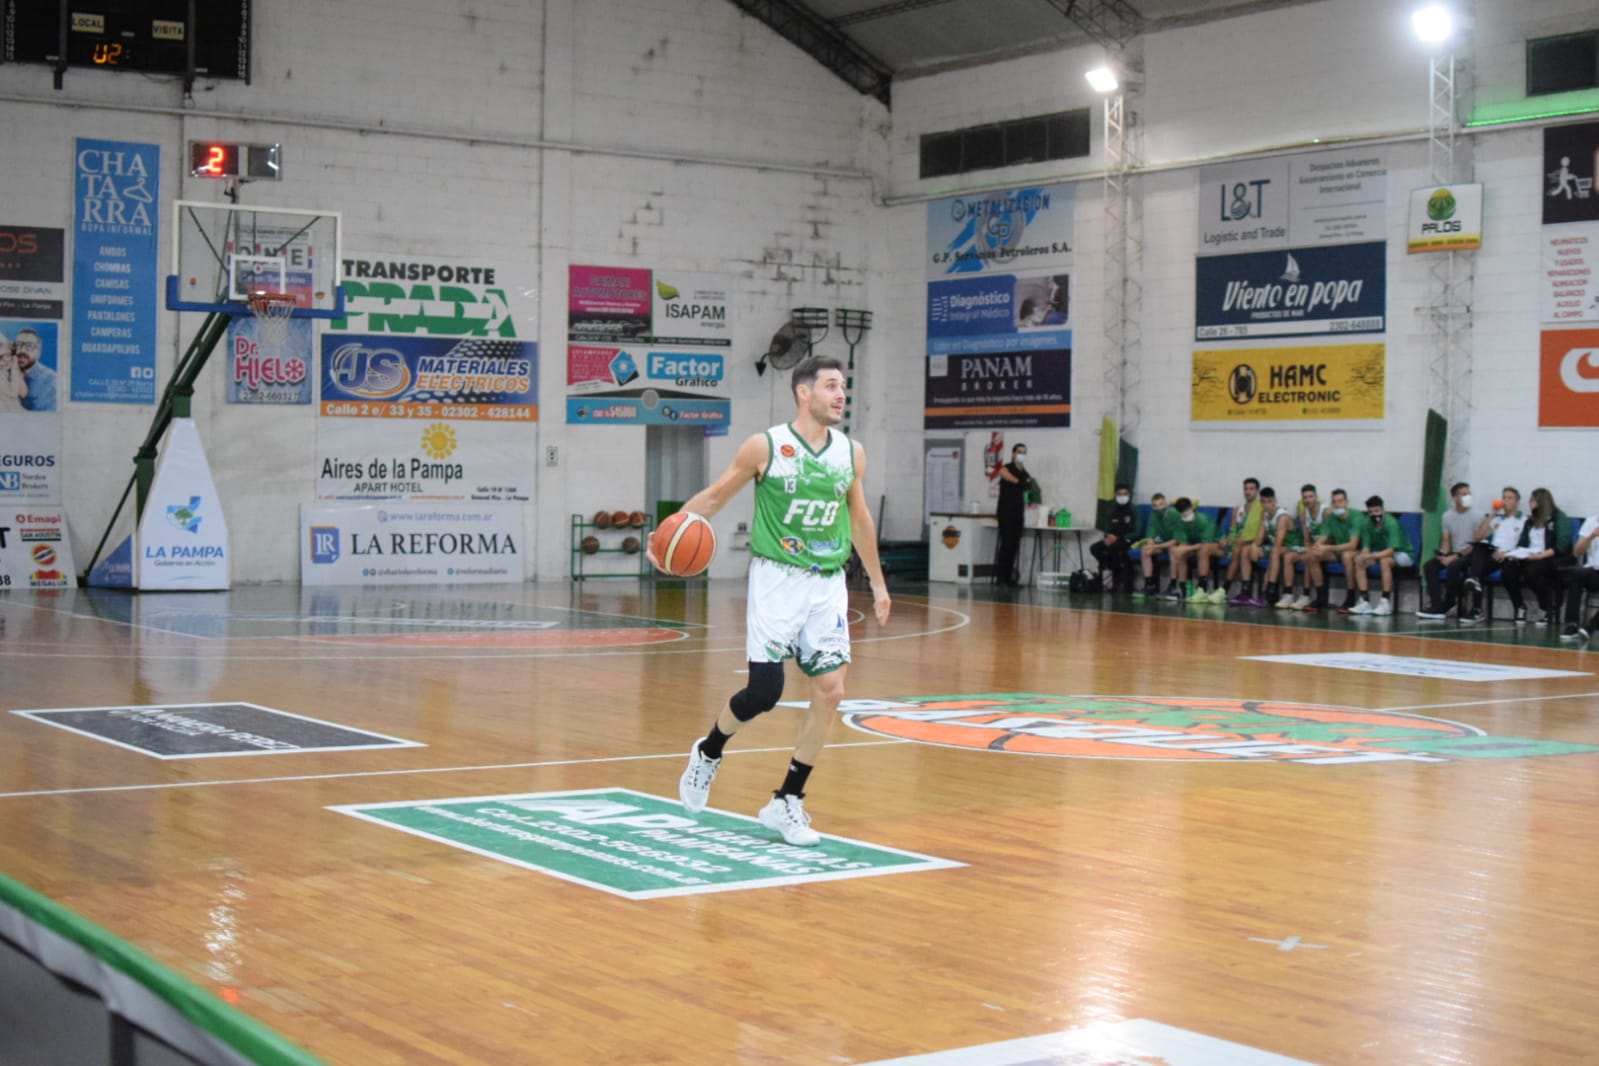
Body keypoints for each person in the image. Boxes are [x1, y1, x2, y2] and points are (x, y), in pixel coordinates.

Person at [663, 356, 890, 847]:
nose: (841, 394)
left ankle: (787, 801)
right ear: (803, 393)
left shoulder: (851, 453)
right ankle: (709, 750)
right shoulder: (766, 446)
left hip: (827, 581)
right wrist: (667, 534)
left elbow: (860, 520)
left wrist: (877, 582)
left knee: (831, 689)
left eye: (844, 387)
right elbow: (717, 497)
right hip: (776, 580)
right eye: (831, 385)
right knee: (764, 693)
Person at [1501, 487, 1572, 626]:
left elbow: (1562, 545)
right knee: (1508, 571)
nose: (1530, 503)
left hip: (1549, 557)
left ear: (1541, 502)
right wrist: (1516, 553)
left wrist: (1539, 557)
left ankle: (1548, 608)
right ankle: (1520, 606)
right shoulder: (1530, 520)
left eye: (1533, 500)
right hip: (1529, 555)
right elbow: (1522, 542)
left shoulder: (1558, 517)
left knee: (1531, 572)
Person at [1418, 483, 1482, 620]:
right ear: (1455, 497)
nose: (1468, 497)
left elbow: (1476, 544)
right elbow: (1446, 540)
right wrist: (1443, 554)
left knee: (1454, 566)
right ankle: (1436, 605)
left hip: (1471, 554)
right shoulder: (1447, 516)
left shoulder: (1477, 515)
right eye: (1464, 494)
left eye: (1469, 494)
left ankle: (1449, 601)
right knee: (1429, 565)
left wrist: (1454, 557)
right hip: (1455, 552)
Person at [1463, 487, 1526, 623]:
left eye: (1509, 498)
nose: (1505, 501)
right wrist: (1492, 514)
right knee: (1478, 548)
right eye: (1504, 497)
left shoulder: (1523, 520)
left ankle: (1477, 604)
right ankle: (1477, 605)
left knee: (1479, 569)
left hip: (1510, 556)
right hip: (1493, 554)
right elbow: (1477, 536)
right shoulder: (1497, 520)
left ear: (1517, 502)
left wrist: (1507, 553)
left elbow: (1525, 544)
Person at [1345, 495, 1413, 616]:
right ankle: (1364, 600)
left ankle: (1385, 602)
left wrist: (1370, 557)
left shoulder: (1391, 523)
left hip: (1403, 554)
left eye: (1377, 511)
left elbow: (1391, 551)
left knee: (1384, 561)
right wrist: (1364, 555)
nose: (1374, 514)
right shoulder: (1366, 523)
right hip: (1380, 552)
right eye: (1371, 512)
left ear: (1383, 510)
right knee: (1359, 560)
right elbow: (1366, 546)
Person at [1306, 488, 1359, 613]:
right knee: (1312, 555)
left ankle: (1350, 597)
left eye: (1340, 501)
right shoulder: (1331, 518)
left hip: (1357, 551)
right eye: (1334, 502)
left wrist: (1328, 547)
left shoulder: (1356, 516)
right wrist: (1316, 547)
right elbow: (1323, 538)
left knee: (1347, 556)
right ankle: (1321, 597)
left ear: (1347, 502)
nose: (1337, 504)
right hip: (1338, 550)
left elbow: (1353, 545)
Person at [1275, 484, 1325, 609]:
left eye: (1311, 496)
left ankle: (1306, 595)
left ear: (1316, 497)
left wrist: (1312, 548)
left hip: (1326, 548)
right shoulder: (1304, 514)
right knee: (1288, 557)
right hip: (1312, 547)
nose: (1308, 500)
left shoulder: (1325, 511)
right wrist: (1307, 546)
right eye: (1305, 498)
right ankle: (1288, 594)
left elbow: (1330, 536)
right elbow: (1306, 539)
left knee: (1309, 555)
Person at [993, 443, 1035, 587]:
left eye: (1024, 452)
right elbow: (1003, 473)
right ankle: (1001, 578)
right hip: (1006, 512)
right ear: (1013, 453)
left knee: (1014, 545)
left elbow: (1029, 485)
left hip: (1018, 512)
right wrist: (1018, 481)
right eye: (1019, 452)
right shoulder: (1008, 467)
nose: (1021, 454)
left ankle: (1009, 576)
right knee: (1006, 544)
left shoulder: (1025, 472)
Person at [1217, 477, 1264, 604]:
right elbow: (1233, 529)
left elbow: (1260, 532)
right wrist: (1227, 540)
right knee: (1207, 547)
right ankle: (1202, 589)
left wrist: (1244, 541)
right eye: (1246, 489)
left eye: (1251, 489)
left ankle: (1225, 589)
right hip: (1236, 543)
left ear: (1257, 491)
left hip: (1248, 544)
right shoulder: (1237, 509)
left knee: (1239, 550)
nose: (1248, 492)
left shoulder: (1261, 508)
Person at [1166, 497, 1221, 601]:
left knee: (1203, 549)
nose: (1185, 514)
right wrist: (1181, 549)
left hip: (1217, 546)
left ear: (1192, 508)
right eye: (1182, 512)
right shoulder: (1180, 523)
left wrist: (1186, 548)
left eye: (1187, 510)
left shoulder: (1204, 520)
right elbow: (1183, 542)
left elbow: (1206, 543)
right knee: (1178, 552)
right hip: (1196, 547)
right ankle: (1181, 588)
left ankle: (1202, 589)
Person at [1088, 483, 1139, 591]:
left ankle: (1118, 574)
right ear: (1115, 495)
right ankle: (1117, 569)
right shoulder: (1111, 509)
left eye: (1125, 494)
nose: (1122, 497)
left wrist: (1120, 537)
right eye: (1119, 494)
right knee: (1095, 548)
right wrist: (1107, 536)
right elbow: (1107, 528)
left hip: (1128, 539)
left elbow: (1137, 532)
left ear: (1129, 495)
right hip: (1112, 539)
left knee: (1113, 548)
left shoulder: (1134, 510)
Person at [1558, 512, 1599, 642]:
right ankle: (1572, 624)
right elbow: (1577, 552)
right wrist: (1591, 537)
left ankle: (1592, 626)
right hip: (1594, 570)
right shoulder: (1592, 521)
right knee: (1576, 574)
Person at [1133, 493, 1178, 599]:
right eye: (1155, 505)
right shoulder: (1154, 515)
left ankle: (1173, 586)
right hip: (1162, 544)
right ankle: (1149, 585)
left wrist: (1157, 547)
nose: (1158, 508)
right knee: (1145, 550)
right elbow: (1150, 536)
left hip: (1177, 544)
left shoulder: (1174, 514)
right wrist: (1150, 545)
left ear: (1166, 504)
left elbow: (1175, 541)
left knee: (1173, 550)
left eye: (1161, 504)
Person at [13, 328, 56, 412]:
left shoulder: (51, 381)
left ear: (38, 352)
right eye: (18, 345)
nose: (22, 350)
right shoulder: (7, 372)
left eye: (29, 346)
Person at [0, 334, 28, 414]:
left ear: (13, 355)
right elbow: (13, 394)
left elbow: (23, 393)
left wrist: (17, 372)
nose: (2, 362)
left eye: (6, 356)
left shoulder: (12, 372)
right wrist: (14, 368)